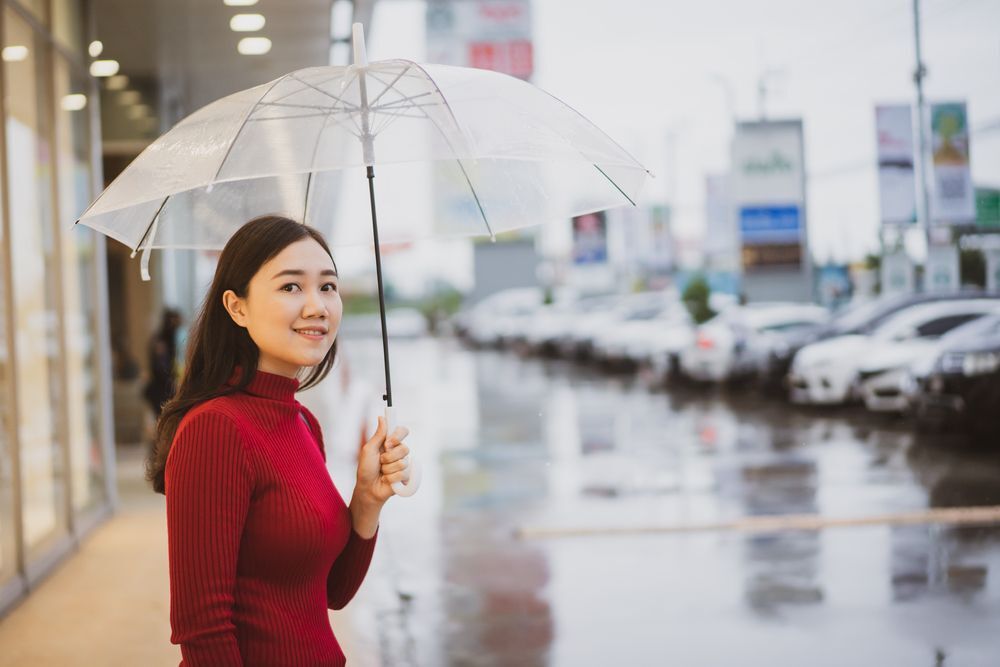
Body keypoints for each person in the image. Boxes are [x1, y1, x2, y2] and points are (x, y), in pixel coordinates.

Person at [146, 215, 411, 666]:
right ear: (237, 307)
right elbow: (202, 628)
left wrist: (366, 502)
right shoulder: (216, 430)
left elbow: (330, 593)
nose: (317, 306)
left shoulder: (304, 423)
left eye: (328, 286)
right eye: (291, 287)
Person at [143, 308, 182, 419]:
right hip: (160, 390)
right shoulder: (160, 341)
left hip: (166, 387)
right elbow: (160, 368)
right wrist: (172, 382)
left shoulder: (169, 339)